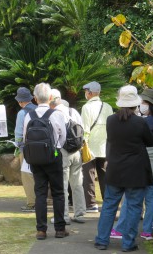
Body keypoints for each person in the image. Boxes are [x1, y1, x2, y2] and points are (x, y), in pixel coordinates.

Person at [94, 85, 153, 252]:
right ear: (136, 104)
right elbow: (151, 141)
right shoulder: (140, 122)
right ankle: (128, 243)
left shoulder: (111, 120)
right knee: (134, 207)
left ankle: (101, 240)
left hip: (115, 169)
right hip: (136, 171)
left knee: (109, 205)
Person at [111, 89, 153, 240]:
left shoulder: (143, 122)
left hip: (142, 162)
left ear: (150, 105)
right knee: (151, 198)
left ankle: (120, 229)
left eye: (144, 103)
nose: (141, 105)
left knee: (131, 196)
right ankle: (147, 231)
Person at [23, 83, 68, 240]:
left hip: (35, 159)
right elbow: (62, 137)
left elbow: (25, 138)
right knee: (58, 192)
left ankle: (41, 230)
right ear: (50, 97)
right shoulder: (56, 114)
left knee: (40, 193)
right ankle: (60, 229)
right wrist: (55, 149)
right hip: (54, 155)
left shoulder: (29, 116)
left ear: (35, 98)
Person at [50, 89, 86, 224]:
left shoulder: (54, 114)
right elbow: (81, 130)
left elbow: (55, 136)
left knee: (62, 185)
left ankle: (63, 216)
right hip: (77, 151)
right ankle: (80, 213)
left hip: (63, 152)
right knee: (77, 183)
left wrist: (53, 153)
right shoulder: (73, 111)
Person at [81, 81, 113, 212]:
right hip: (105, 146)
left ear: (89, 93)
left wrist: (83, 144)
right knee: (105, 175)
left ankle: (91, 204)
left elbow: (84, 129)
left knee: (88, 175)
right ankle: (108, 202)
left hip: (90, 147)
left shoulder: (86, 108)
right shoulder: (108, 106)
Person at [14, 87, 37, 212]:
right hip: (42, 149)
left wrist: (18, 146)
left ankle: (32, 203)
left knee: (28, 175)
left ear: (20, 101)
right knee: (39, 175)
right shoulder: (39, 109)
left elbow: (19, 135)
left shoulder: (22, 113)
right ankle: (41, 199)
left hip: (27, 149)